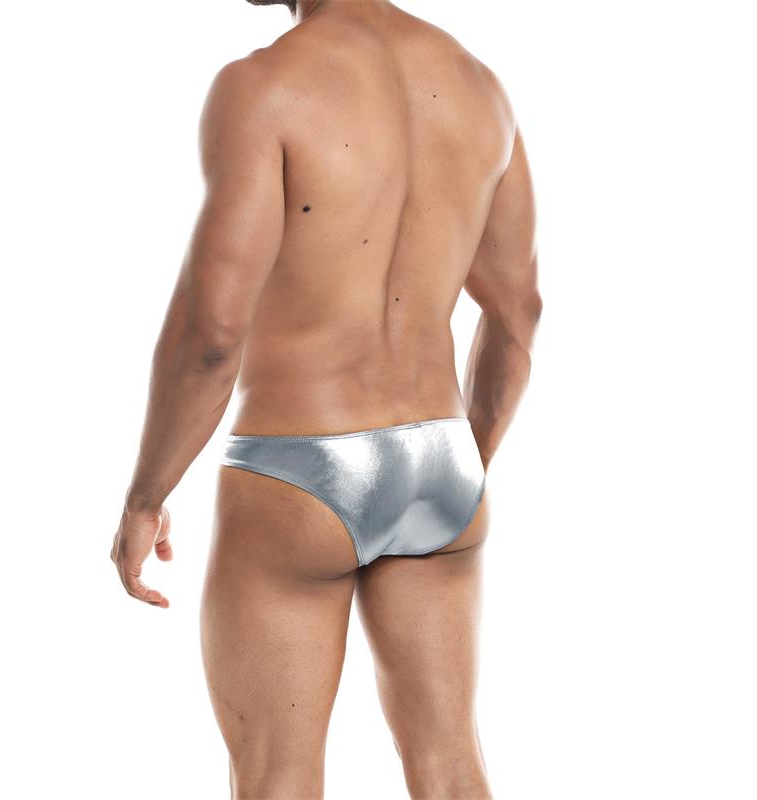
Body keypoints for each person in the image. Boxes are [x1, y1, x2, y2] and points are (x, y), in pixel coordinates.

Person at [110, 1, 542, 797]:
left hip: (299, 466)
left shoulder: (265, 85)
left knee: (277, 774)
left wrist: (147, 495)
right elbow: (518, 314)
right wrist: (463, 462)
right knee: (451, 765)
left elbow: (212, 333)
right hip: (440, 462)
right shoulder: (479, 87)